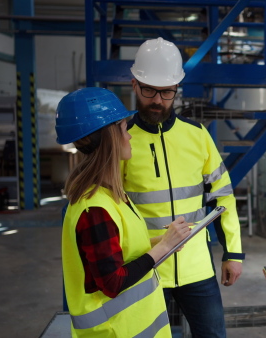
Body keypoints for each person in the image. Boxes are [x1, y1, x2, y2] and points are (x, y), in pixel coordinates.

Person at [121, 37, 245, 337]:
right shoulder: (121, 140)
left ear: (177, 89)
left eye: (166, 92)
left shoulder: (198, 136)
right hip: (145, 266)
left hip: (196, 267)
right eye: (149, 90)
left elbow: (223, 197)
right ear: (134, 84)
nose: (158, 100)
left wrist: (233, 253)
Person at [56, 87, 192, 337]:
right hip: (116, 331)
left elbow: (119, 250)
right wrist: (162, 249)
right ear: (109, 137)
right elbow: (113, 282)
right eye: (123, 127)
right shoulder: (94, 209)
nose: (129, 135)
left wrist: (163, 241)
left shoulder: (110, 194)